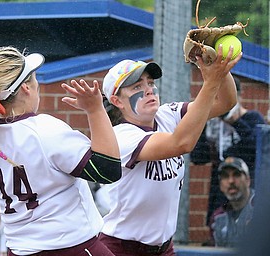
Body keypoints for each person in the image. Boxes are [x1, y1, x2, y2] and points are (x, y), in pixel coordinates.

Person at [0, 46, 122, 255]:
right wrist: (95, 110)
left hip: (20, 251)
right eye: (34, 78)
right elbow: (108, 170)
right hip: (74, 248)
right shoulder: (46, 129)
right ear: (26, 88)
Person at [98, 44, 242, 256]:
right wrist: (211, 82)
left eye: (150, 82)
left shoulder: (167, 114)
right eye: (137, 87)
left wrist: (218, 68)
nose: (148, 89)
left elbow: (226, 102)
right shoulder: (120, 137)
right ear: (116, 101)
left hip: (164, 248)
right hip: (122, 248)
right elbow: (181, 143)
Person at [190, 76, 266, 227]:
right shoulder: (213, 124)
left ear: (238, 96)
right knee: (218, 227)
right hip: (221, 192)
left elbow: (259, 149)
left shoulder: (252, 118)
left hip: (248, 188)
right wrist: (204, 124)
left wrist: (235, 122)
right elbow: (197, 157)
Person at [208, 157, 254, 248]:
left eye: (236, 175)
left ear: (248, 180)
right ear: (221, 185)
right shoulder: (217, 218)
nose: (231, 181)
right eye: (225, 176)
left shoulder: (263, 208)